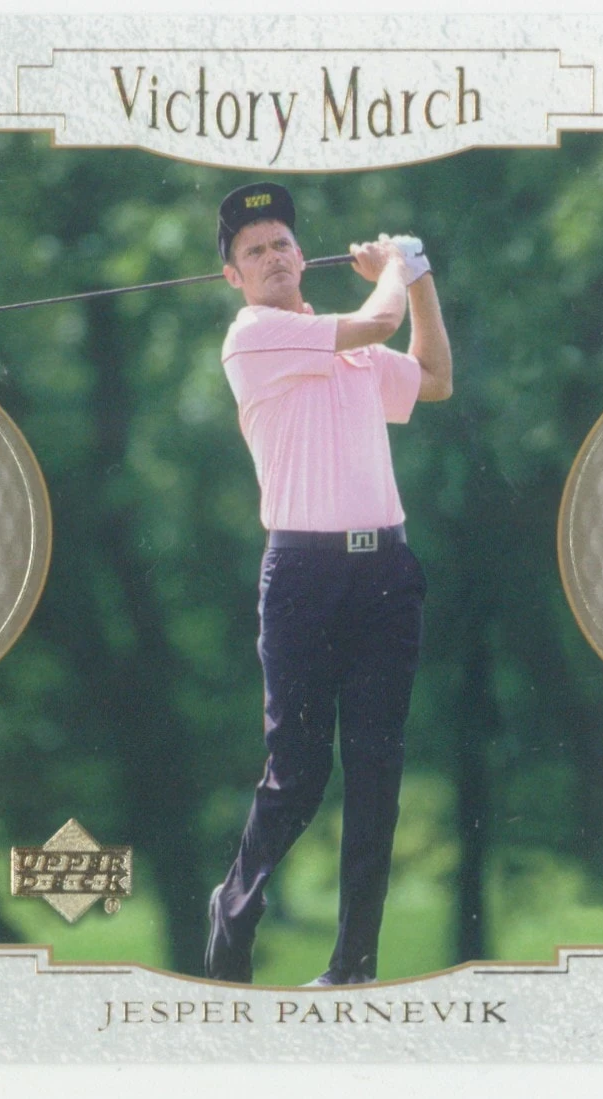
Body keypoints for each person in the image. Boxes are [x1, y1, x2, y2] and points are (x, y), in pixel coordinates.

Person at [204, 181, 452, 987]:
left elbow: (433, 377)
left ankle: (353, 965)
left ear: (301, 255)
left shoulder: (347, 349)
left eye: (281, 242)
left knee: (376, 768)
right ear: (233, 277)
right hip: (303, 577)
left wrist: (419, 279)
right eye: (253, 251)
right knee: (299, 773)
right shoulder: (253, 336)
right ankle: (233, 908)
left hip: (384, 572)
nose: (272, 257)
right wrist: (396, 268)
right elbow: (377, 319)